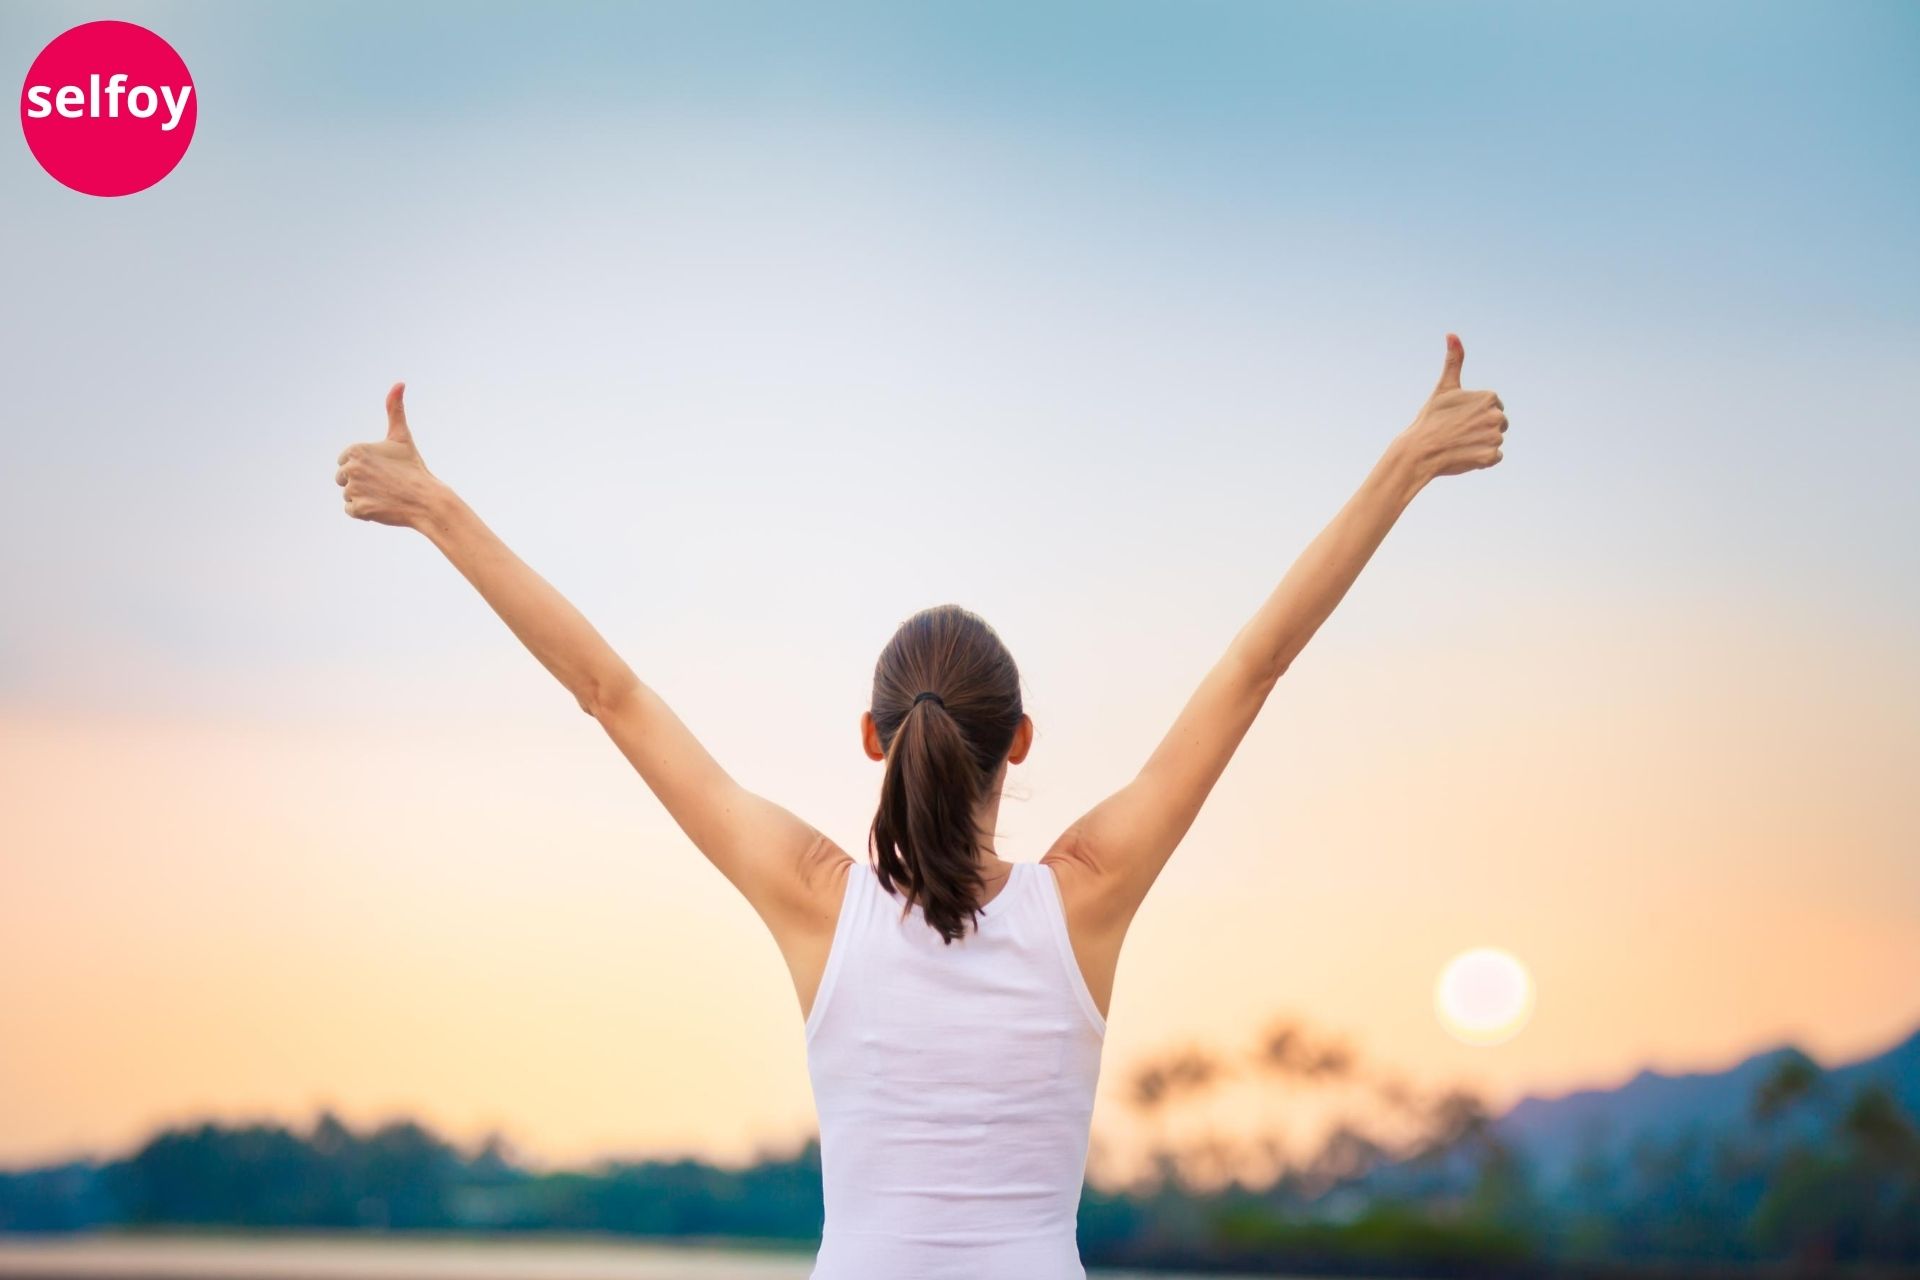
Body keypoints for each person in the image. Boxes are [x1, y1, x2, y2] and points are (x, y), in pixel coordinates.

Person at [333, 334, 1507, 1278]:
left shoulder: (814, 901)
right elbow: (1256, 665)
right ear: (1022, 744)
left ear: (871, 740)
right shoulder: (1086, 898)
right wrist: (1405, 464)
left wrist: (437, 509)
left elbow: (611, 691)